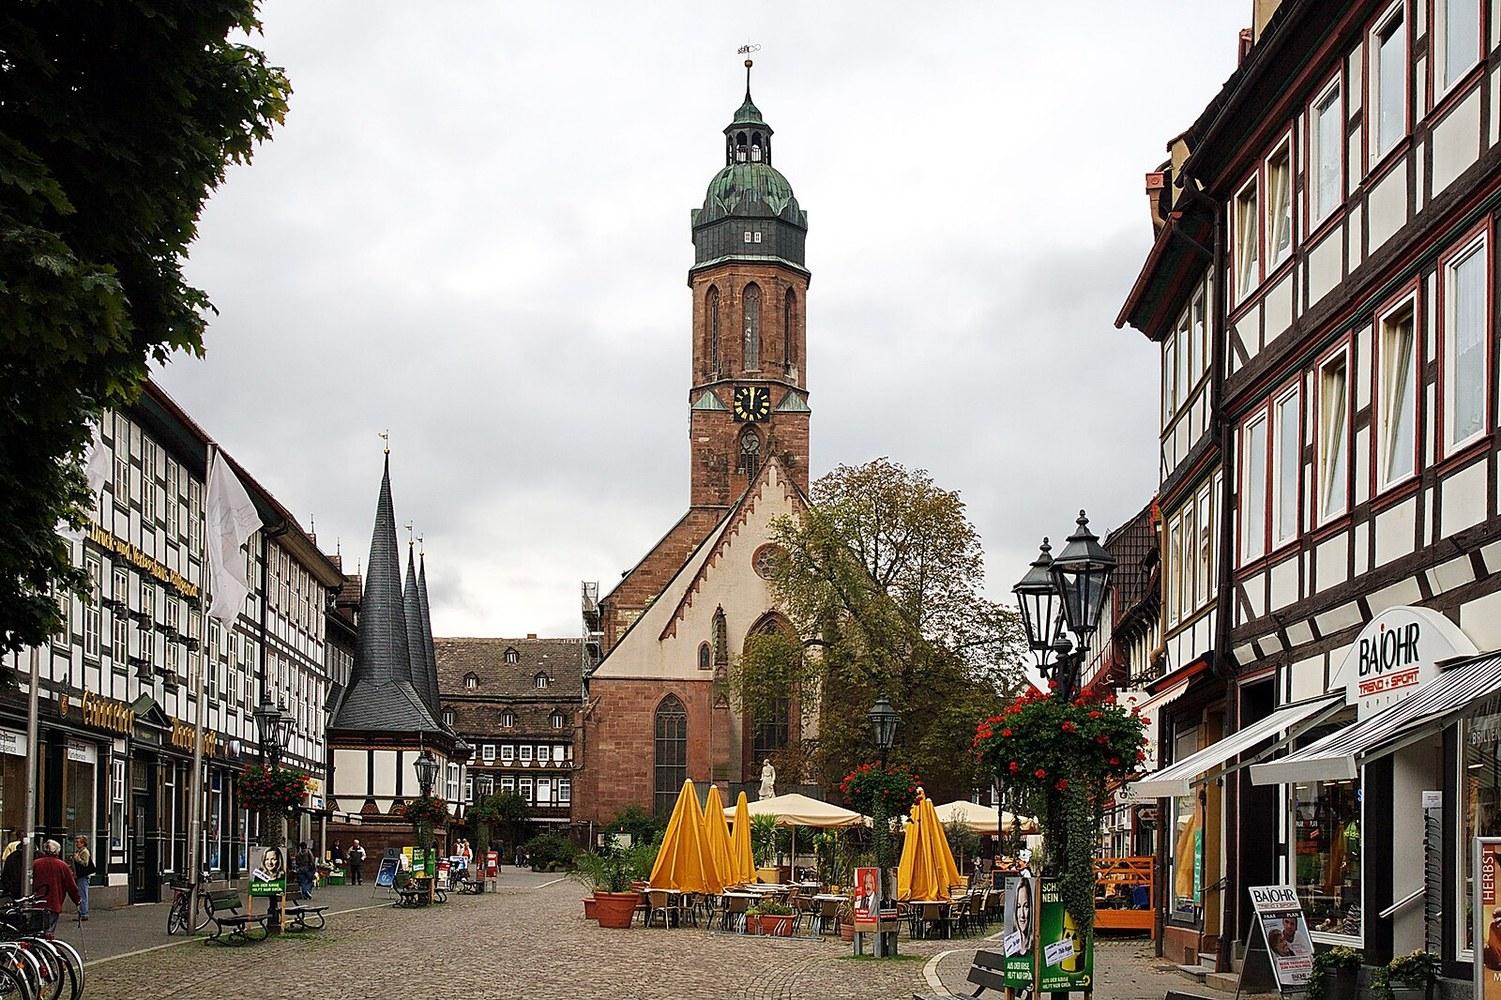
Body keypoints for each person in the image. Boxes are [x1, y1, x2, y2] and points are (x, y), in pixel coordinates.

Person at [31, 840, 79, 933]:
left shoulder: (35, 863)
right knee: (49, 932)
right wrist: (77, 900)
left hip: (37, 903)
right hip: (53, 903)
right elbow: (71, 885)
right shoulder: (62, 865)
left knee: (35, 931)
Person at [71, 836, 93, 921]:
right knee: (81, 894)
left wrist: (77, 858)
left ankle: (84, 913)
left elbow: (85, 863)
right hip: (79, 875)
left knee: (83, 894)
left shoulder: (84, 852)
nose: (76, 844)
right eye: (76, 842)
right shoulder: (79, 851)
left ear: (83, 843)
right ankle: (82, 912)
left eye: (78, 842)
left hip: (83, 876)